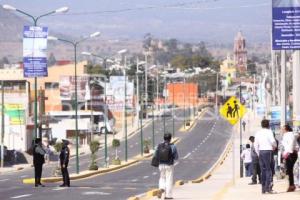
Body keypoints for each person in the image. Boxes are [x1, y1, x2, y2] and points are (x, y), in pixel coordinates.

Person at [254, 119, 277, 194]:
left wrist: (258, 153)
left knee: (262, 170)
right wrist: (275, 146)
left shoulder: (258, 133)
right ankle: (269, 188)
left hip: (261, 152)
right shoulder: (269, 131)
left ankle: (263, 189)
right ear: (268, 125)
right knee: (269, 170)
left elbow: (255, 145)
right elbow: (273, 142)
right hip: (268, 151)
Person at [155, 133, 178, 199]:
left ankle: (161, 188)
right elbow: (176, 157)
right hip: (169, 165)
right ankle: (168, 195)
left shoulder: (159, 145)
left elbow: (155, 155)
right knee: (169, 179)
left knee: (162, 178)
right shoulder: (173, 146)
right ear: (170, 139)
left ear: (164, 138)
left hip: (161, 165)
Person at [281, 124, 298, 192]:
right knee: (289, 170)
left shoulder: (290, 135)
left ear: (286, 129)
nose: (282, 130)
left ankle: (292, 185)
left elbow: (290, 144)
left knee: (290, 170)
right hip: (289, 153)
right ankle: (291, 185)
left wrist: (288, 153)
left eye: (283, 128)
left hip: (290, 154)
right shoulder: (287, 135)